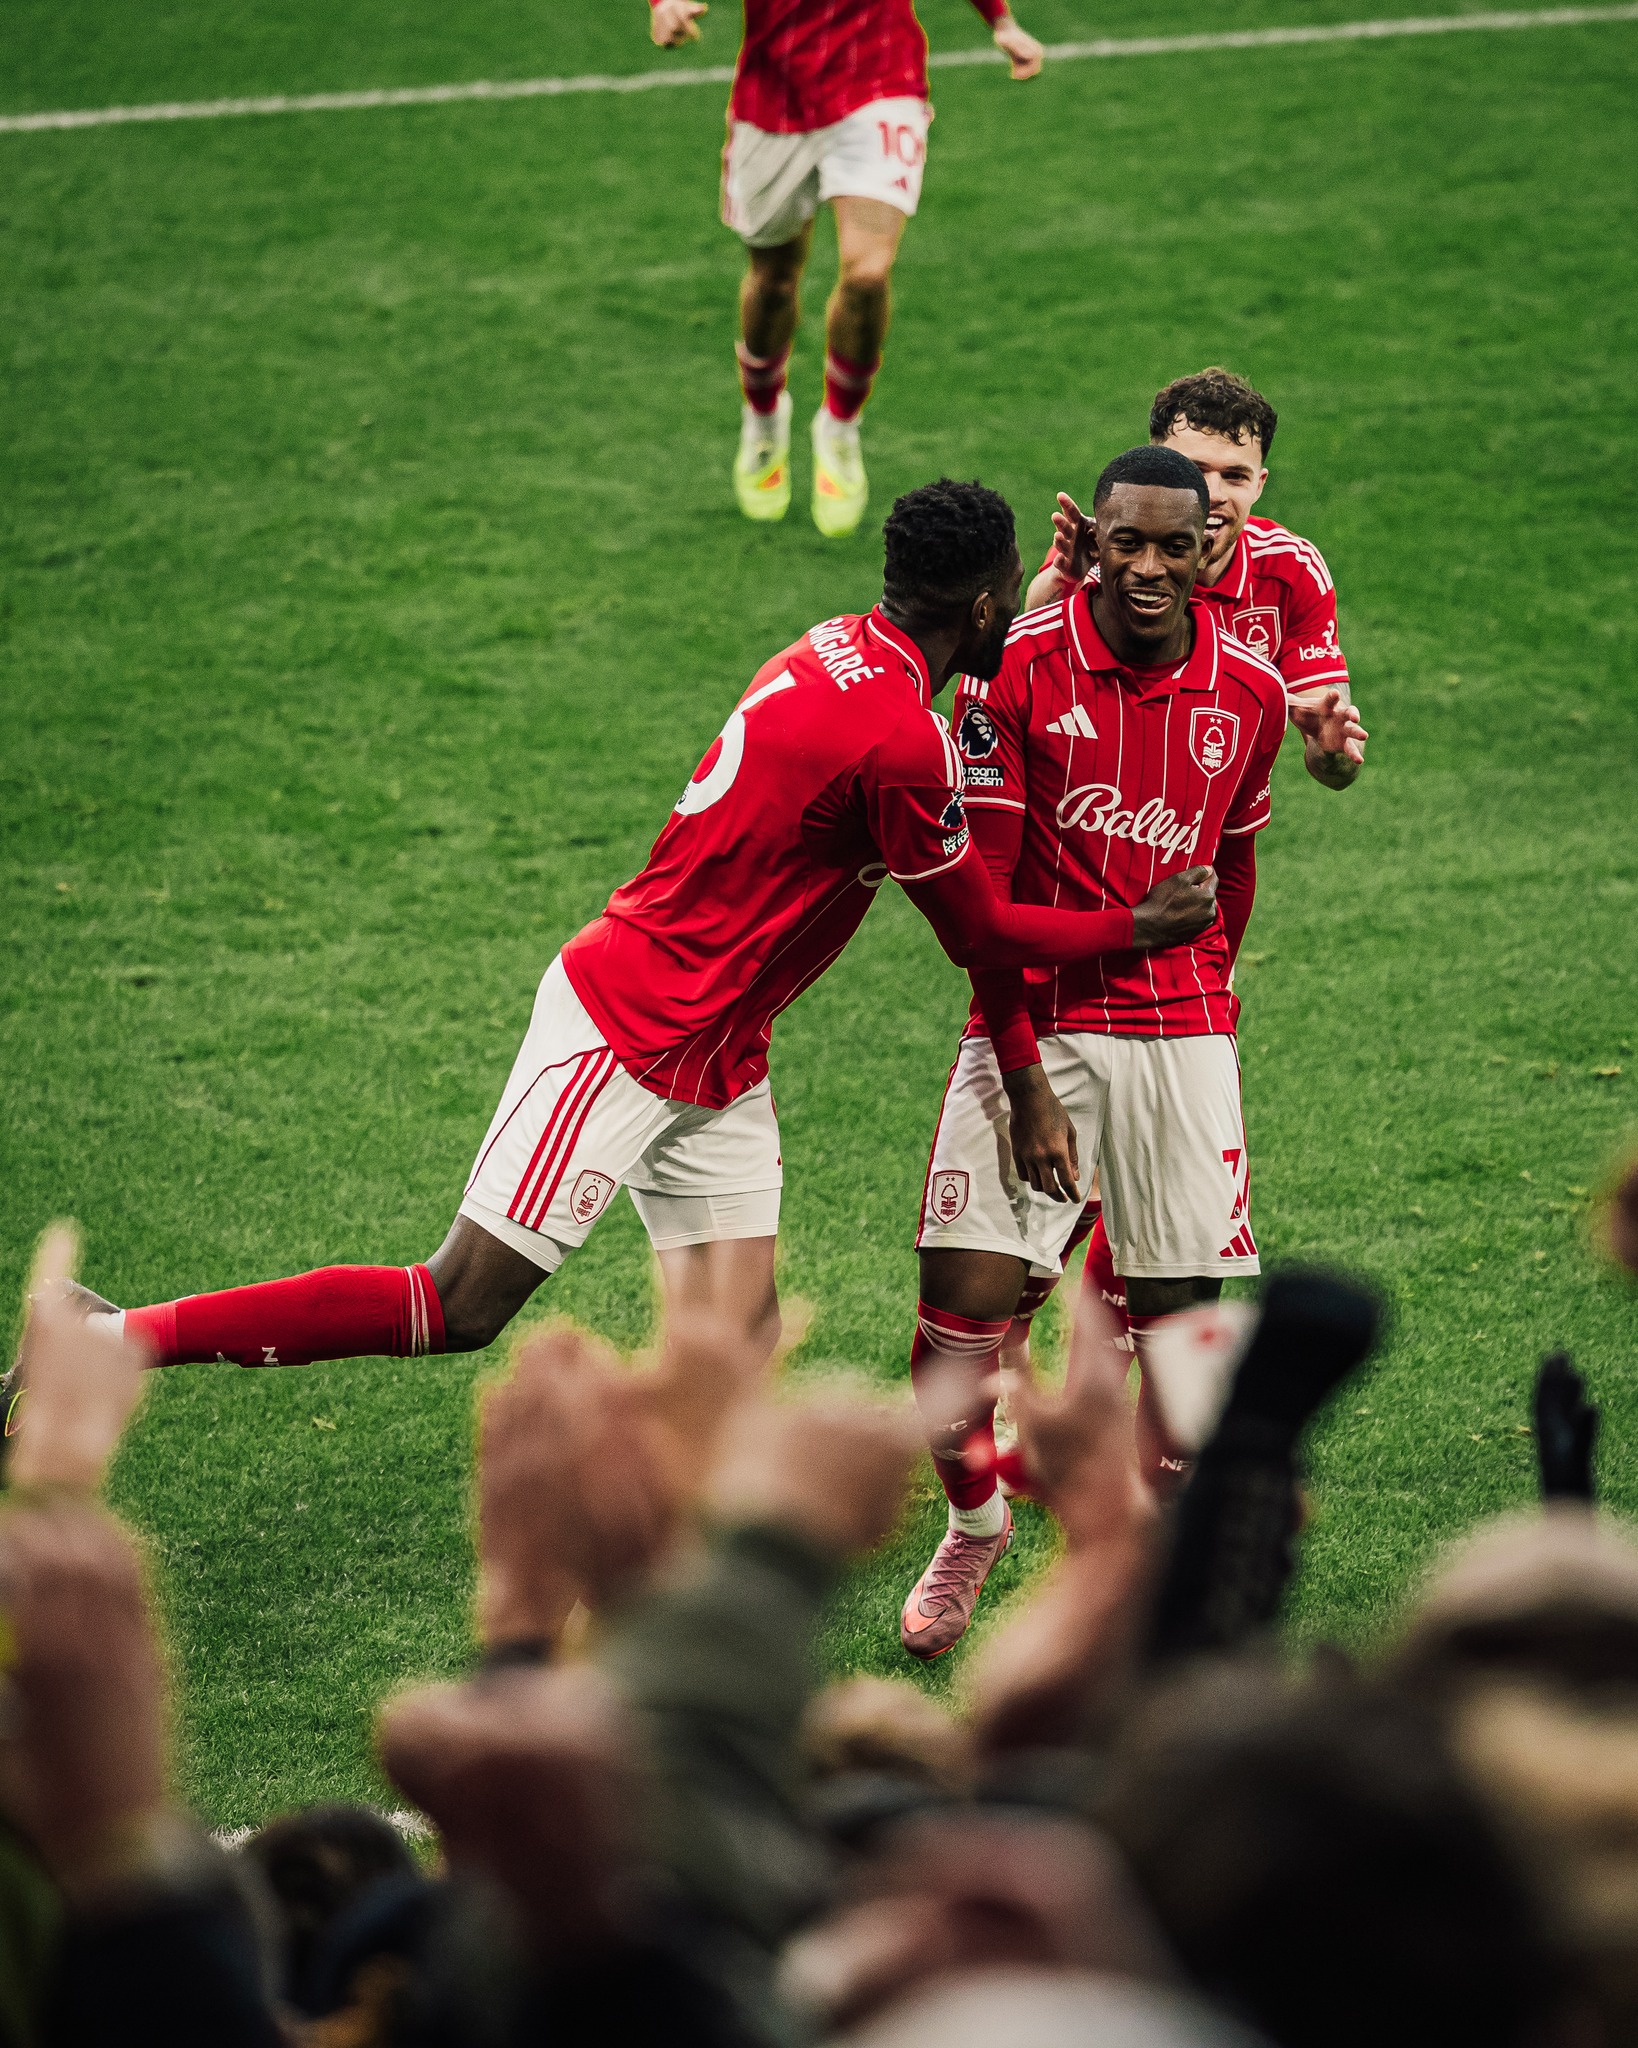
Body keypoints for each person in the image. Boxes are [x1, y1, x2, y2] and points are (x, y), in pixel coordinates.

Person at [77, 482, 1217, 1383]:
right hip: (631, 1025)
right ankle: (112, 1337)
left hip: (718, 1051)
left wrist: (1050, 587)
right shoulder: (901, 745)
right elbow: (980, 929)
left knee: (732, 1346)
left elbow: (959, 665)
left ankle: (652, 1581)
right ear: (978, 606)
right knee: (457, 1301)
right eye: (1009, 596)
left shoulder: (841, 650)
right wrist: (1140, 921)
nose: (1019, 612)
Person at [897, 445, 1360, 1660]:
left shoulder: (1251, 691)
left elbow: (1236, 860)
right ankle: (977, 1524)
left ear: (1215, 548)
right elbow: (985, 912)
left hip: (1182, 1031)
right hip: (1036, 1022)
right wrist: (1024, 1074)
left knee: (1180, 1321)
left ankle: (1161, 1561)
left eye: (1175, 544)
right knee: (959, 1314)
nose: (1147, 567)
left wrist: (1214, 994)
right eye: (1125, 542)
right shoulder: (1012, 683)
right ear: (1092, 541)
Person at [1009, 368, 1370, 1490]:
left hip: (1196, 926)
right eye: (1195, 468)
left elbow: (1318, 726)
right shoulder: (1115, 554)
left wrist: (1332, 755)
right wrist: (1046, 585)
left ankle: (1159, 1462)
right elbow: (1009, 693)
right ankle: (1021, 1404)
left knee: (1175, 1225)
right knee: (1042, 1211)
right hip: (1070, 927)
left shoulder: (1289, 574)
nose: (1213, 498)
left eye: (1235, 476)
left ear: (1264, 481)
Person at [648, 0, 1045, 536]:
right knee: (773, 280)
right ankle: (764, 418)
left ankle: (840, 425)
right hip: (775, 97)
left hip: (881, 83)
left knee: (868, 274)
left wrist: (1001, 21)